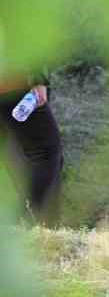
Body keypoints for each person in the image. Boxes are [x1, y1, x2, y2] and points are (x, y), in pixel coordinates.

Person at [0, 70, 63, 224]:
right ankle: (29, 225)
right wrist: (38, 79)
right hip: (11, 81)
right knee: (47, 154)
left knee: (13, 152)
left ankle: (41, 227)